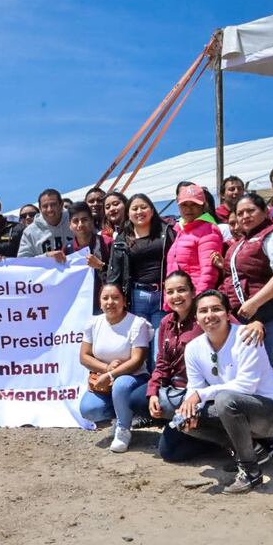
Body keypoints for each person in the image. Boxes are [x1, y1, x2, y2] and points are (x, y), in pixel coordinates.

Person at [175, 290, 273, 493]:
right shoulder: (194, 348)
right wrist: (190, 403)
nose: (210, 315)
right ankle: (255, 450)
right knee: (182, 417)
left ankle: (251, 472)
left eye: (216, 309)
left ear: (227, 313)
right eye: (203, 311)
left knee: (225, 400)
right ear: (195, 317)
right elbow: (194, 387)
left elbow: (246, 386)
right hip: (241, 411)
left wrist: (201, 395)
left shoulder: (246, 336)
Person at [149, 272, 265, 463]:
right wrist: (153, 391)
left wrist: (258, 324)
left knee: (171, 404)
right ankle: (227, 441)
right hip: (186, 392)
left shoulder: (207, 317)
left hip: (212, 391)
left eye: (182, 290)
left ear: (193, 292)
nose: (176, 296)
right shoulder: (166, 322)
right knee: (169, 452)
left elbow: (238, 329)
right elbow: (161, 362)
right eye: (170, 291)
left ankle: (253, 443)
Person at [219, 192, 273, 363]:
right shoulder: (240, 243)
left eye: (250, 211)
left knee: (261, 371)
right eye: (240, 213)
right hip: (242, 317)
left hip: (269, 314)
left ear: (265, 211)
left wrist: (254, 303)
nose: (245, 216)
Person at [78, 283, 151, 453]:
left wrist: (111, 374)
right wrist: (106, 368)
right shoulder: (93, 323)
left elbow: (137, 360)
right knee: (88, 409)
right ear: (100, 302)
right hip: (105, 380)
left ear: (124, 300)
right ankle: (121, 415)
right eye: (105, 298)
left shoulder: (137, 324)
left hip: (134, 378)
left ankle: (123, 429)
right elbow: (84, 356)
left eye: (116, 297)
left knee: (121, 384)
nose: (110, 302)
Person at [104, 193, 171, 360]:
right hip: (136, 297)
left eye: (143, 207)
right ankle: (144, 385)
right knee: (140, 350)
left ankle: (157, 385)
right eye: (134, 208)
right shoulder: (121, 240)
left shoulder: (166, 232)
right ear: (128, 213)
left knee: (159, 350)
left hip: (163, 296)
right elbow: (115, 274)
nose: (139, 211)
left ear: (152, 210)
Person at [165, 184, 222, 293]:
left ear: (203, 206)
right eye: (184, 205)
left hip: (194, 298)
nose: (189, 209)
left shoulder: (208, 229)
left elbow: (208, 272)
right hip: (179, 298)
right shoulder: (180, 230)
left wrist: (199, 300)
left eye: (194, 204)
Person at [18, 189, 73, 257]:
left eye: (53, 204)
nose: (49, 209)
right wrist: (46, 256)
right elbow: (22, 261)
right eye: (45, 206)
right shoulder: (29, 232)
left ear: (61, 205)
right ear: (40, 209)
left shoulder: (74, 220)